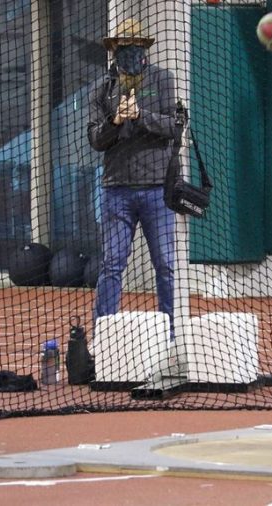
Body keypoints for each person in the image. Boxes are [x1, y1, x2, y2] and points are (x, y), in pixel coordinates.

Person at [87, 19, 183, 336]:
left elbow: (174, 127)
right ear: (114, 49)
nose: (128, 51)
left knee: (166, 265)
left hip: (157, 189)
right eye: (122, 46)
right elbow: (96, 140)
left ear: (144, 47)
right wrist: (115, 120)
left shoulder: (162, 79)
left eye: (134, 45)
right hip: (117, 191)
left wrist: (142, 116)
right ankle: (104, 334)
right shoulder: (102, 88)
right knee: (111, 265)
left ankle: (170, 334)